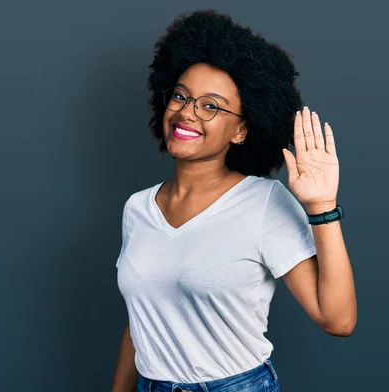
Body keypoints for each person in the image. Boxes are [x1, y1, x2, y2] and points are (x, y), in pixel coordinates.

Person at [111, 9, 357, 392]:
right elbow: (142, 317)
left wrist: (322, 206)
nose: (186, 113)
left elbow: (338, 320)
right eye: (180, 96)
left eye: (210, 105)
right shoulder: (137, 208)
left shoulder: (263, 204)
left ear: (241, 130)